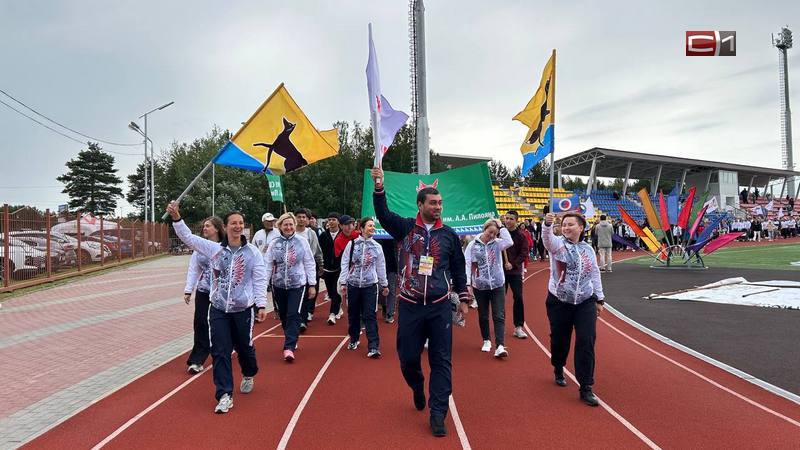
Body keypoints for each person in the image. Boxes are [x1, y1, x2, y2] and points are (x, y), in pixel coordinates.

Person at [371, 166, 470, 438]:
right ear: (420, 204)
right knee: (407, 358)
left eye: (440, 203)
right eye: (433, 203)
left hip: (439, 306)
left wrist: (463, 297)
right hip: (411, 305)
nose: (438, 207)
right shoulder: (404, 228)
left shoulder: (449, 235)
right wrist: (379, 187)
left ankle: (438, 413)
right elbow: (383, 214)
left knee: (441, 360)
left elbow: (459, 269)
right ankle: (417, 386)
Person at [167, 202, 267, 414]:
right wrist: (176, 217)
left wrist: (261, 304)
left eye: (240, 223)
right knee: (220, 351)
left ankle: (249, 372)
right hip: (219, 309)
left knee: (244, 348)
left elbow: (259, 279)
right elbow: (189, 238)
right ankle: (224, 394)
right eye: (233, 223)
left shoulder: (252, 253)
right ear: (226, 226)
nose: (237, 226)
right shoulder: (214, 250)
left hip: (243, 310)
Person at [542, 212, 605, 407]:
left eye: (571, 224)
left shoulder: (587, 249)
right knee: (560, 339)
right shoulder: (558, 245)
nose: (566, 227)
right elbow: (547, 239)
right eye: (564, 224)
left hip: (585, 301)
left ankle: (586, 386)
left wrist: (600, 298)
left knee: (586, 340)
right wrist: (546, 224)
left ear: (581, 228)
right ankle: (558, 366)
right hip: (559, 301)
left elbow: (594, 272)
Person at [263, 213, 317, 362]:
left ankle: (289, 347)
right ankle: (291, 338)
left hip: (297, 284)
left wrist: (312, 284)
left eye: (291, 224)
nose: (288, 227)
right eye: (285, 225)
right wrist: (263, 285)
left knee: (294, 314)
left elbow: (309, 263)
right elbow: (267, 264)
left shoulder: (302, 242)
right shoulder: (274, 243)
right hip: (278, 284)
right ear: (279, 226)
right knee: (284, 314)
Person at [338, 217, 389, 358]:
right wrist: (343, 282)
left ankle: (373, 346)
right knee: (353, 314)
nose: (372, 228)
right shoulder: (352, 244)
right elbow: (344, 263)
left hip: (370, 286)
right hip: (353, 284)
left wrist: (384, 284)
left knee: (369, 315)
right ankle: (354, 339)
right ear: (361, 228)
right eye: (369, 226)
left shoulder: (377, 247)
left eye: (374, 226)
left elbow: (381, 266)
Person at [464, 218, 513, 358]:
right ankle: (486, 340)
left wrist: (501, 226)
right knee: (483, 315)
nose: (492, 235)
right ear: (484, 229)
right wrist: (468, 283)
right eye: (490, 232)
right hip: (480, 286)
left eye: (495, 233)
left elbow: (509, 242)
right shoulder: (473, 245)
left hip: (497, 284)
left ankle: (500, 346)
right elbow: (467, 264)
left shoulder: (497, 244)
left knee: (499, 315)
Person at [183, 216, 224, 374]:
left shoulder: (225, 246)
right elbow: (194, 268)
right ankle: (197, 359)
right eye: (204, 226)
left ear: (217, 228)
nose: (204, 229)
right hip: (204, 290)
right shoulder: (199, 247)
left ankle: (226, 347)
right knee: (200, 321)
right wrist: (188, 289)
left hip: (222, 293)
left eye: (208, 226)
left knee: (220, 323)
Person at [503, 210, 530, 340]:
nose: (508, 221)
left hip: (514, 272)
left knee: (518, 297)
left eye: (511, 219)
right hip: (500, 273)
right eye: (506, 218)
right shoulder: (499, 235)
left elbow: (524, 252)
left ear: (516, 221)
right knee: (499, 300)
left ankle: (518, 327)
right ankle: (499, 325)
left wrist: (513, 264)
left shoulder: (521, 236)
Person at [295, 208, 323, 329]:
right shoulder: (290, 232)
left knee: (307, 293)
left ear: (307, 219)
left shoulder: (310, 233)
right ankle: (295, 317)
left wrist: (320, 264)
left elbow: (317, 250)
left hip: (308, 267)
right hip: (293, 269)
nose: (301, 219)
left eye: (304, 217)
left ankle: (303, 319)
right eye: (299, 217)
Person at [331, 215, 360, 322]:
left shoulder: (359, 235)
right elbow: (340, 258)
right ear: (341, 226)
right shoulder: (338, 240)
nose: (349, 227)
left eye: (351, 224)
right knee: (339, 293)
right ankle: (336, 311)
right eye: (346, 225)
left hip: (360, 271)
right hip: (346, 271)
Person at [319, 213, 343, 324]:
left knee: (335, 290)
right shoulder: (323, 236)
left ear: (338, 221)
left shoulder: (343, 235)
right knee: (330, 292)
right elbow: (320, 251)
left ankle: (332, 314)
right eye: (329, 220)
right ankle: (338, 308)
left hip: (339, 268)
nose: (331, 222)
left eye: (333, 219)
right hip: (327, 268)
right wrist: (321, 266)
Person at [378, 237, 399, 323]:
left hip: (392, 266)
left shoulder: (395, 235)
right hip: (379, 267)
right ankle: (384, 306)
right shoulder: (377, 237)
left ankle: (390, 313)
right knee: (381, 290)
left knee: (392, 290)